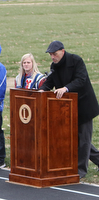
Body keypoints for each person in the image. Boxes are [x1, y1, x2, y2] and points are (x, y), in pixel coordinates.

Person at [39, 40, 99, 178]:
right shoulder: (54, 66)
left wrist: (66, 88)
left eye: (54, 54)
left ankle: (80, 171)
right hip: (68, 108)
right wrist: (42, 90)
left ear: (62, 51)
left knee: (84, 140)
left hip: (84, 107)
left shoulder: (76, 60)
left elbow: (81, 80)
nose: (53, 57)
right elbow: (50, 81)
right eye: (50, 55)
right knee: (79, 139)